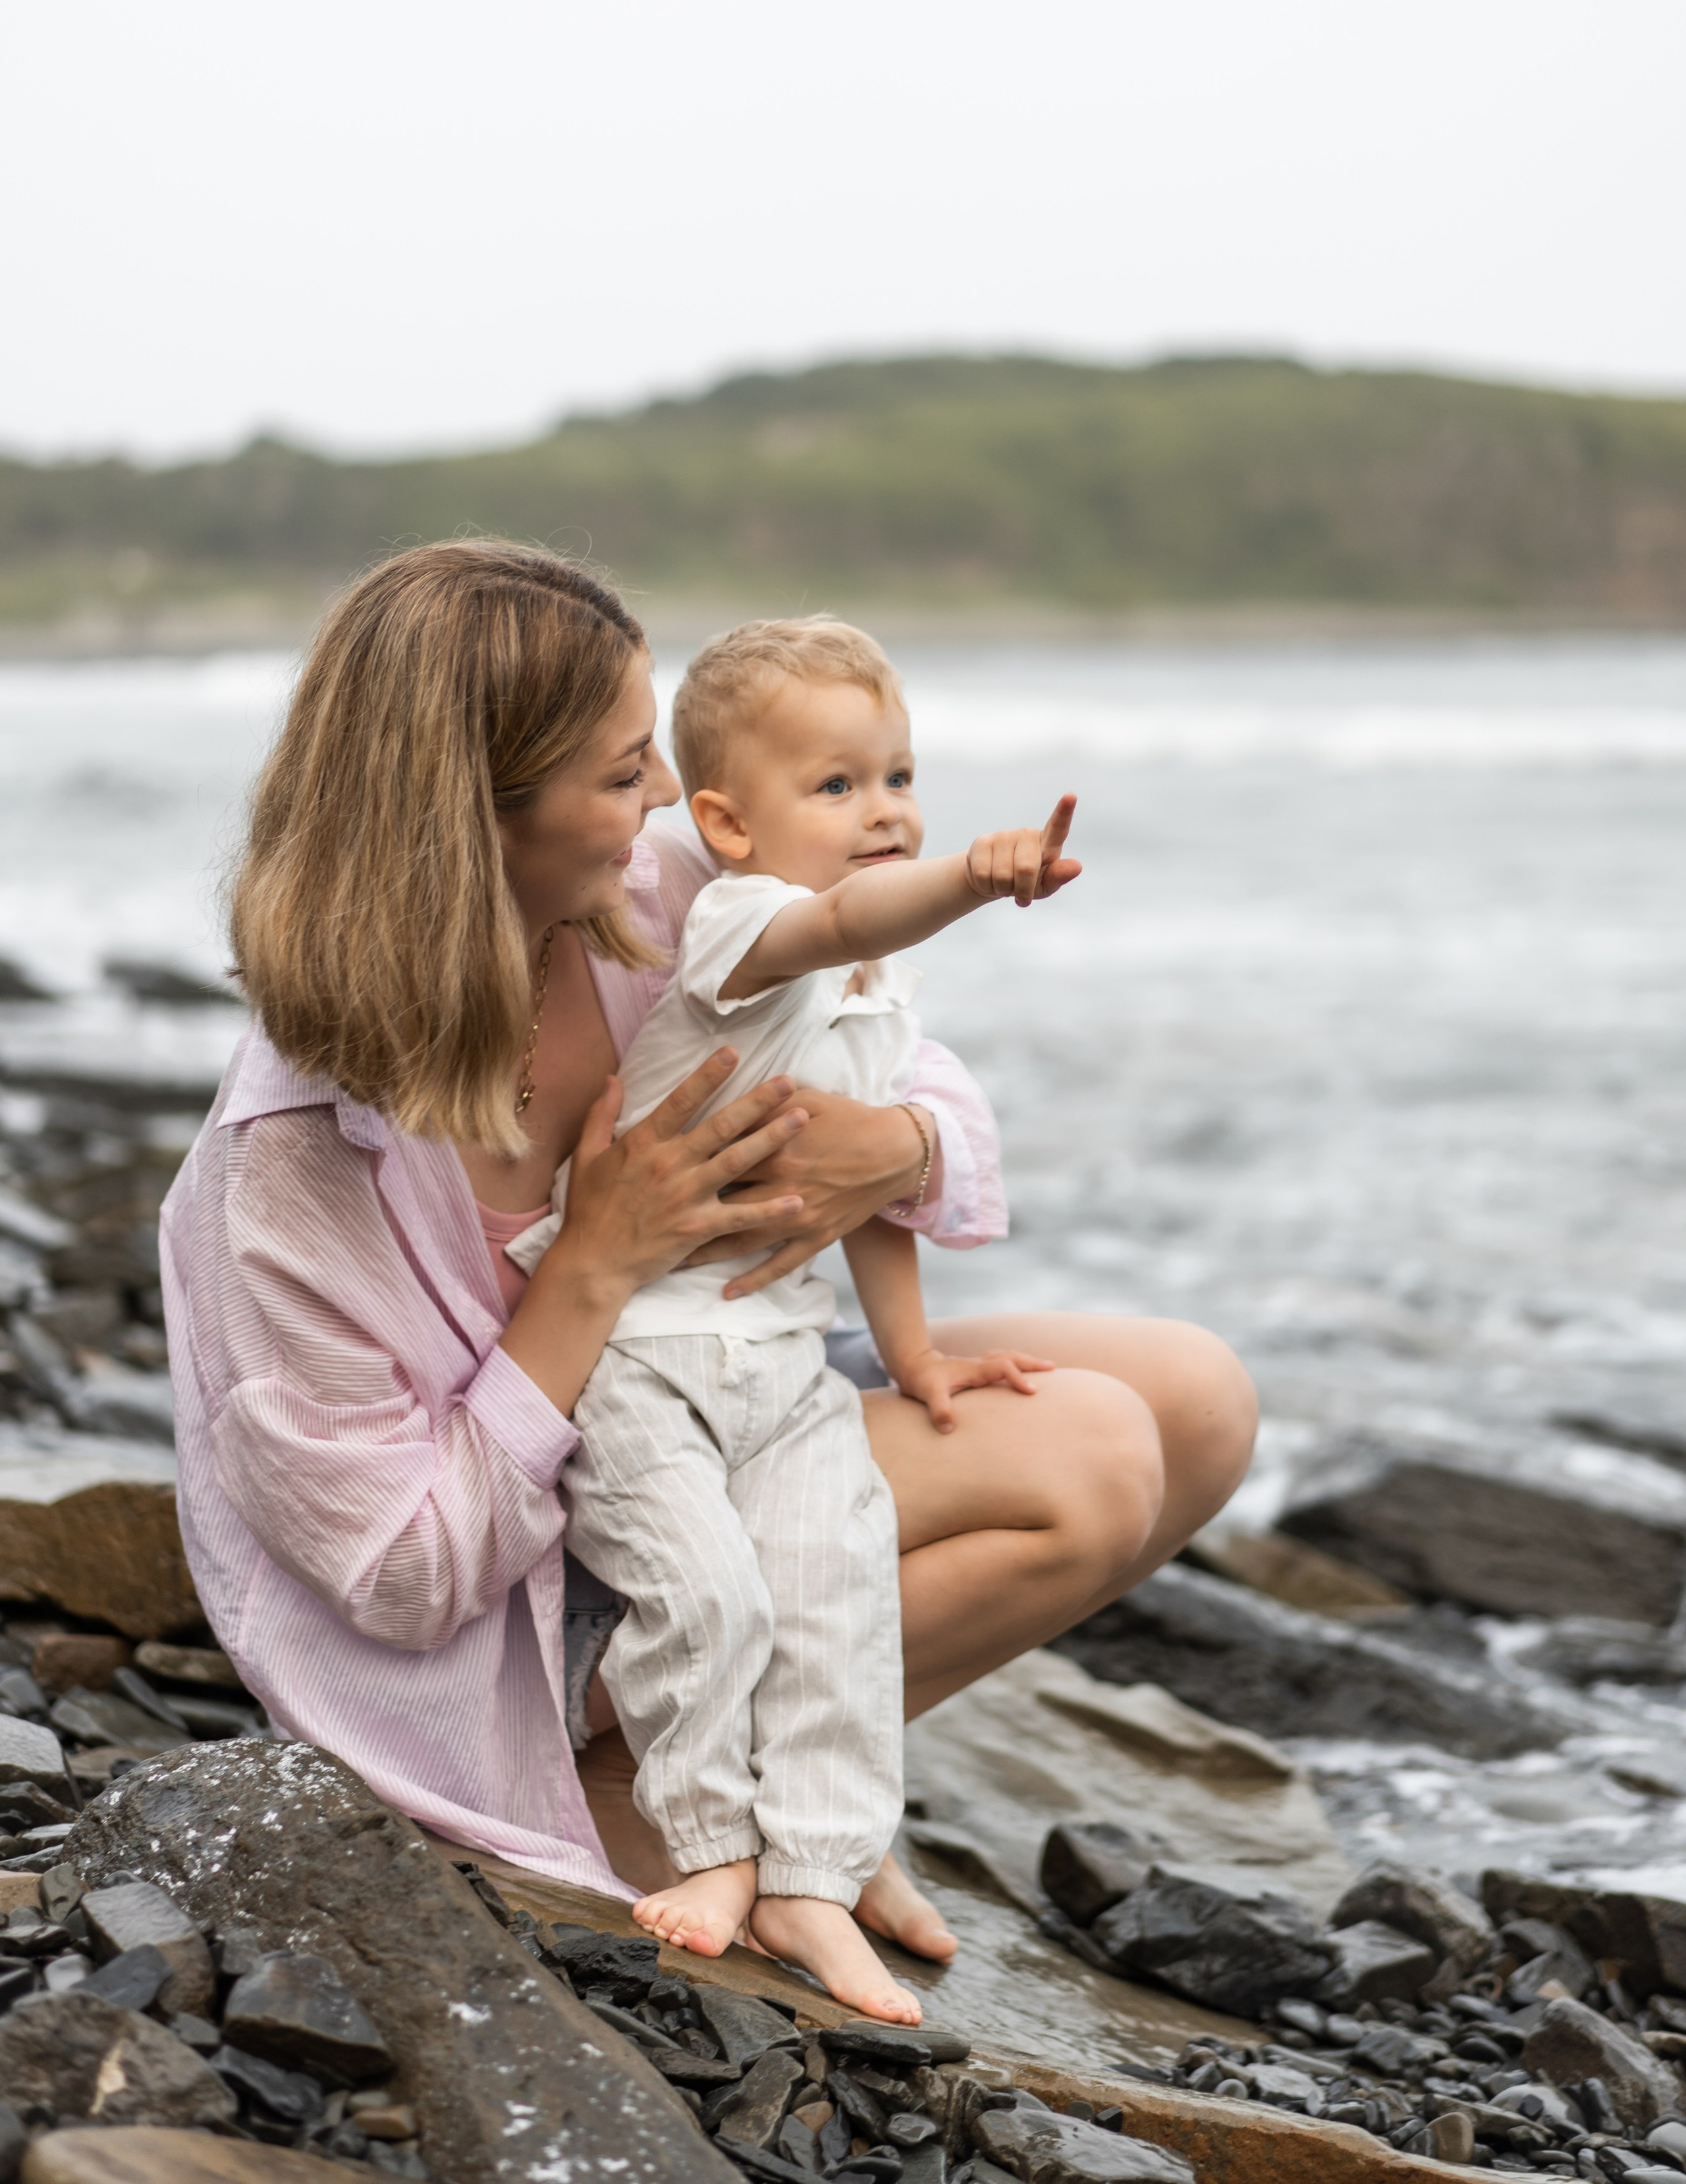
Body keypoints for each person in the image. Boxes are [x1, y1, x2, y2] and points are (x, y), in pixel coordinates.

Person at [160, 541, 1255, 1991]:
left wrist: (899, 1151)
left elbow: (908, 1061)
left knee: (1194, 1395)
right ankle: (666, 1802)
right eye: (623, 772)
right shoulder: (291, 1164)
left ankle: (808, 1770)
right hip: (533, 1576)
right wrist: (589, 1267)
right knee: (1095, 1457)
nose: (667, 798)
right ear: (473, 813)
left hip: (720, 1364)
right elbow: (404, 1575)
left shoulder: (649, 894)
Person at [506, 616, 1078, 2011]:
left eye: (897, 777)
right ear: (725, 823)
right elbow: (845, 913)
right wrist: (967, 874)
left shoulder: (869, 998)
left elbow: (860, 1199)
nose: (881, 811)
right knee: (708, 1596)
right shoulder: (745, 925)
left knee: (830, 1600)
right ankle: (706, 1847)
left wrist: (916, 1357)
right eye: (836, 789)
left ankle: (816, 1878)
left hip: (776, 1361)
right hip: (642, 1359)